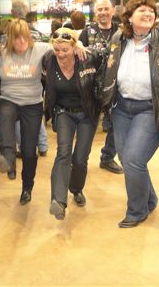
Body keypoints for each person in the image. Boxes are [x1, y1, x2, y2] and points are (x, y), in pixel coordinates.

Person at [99, 0, 159, 228]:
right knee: (128, 158)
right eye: (142, 11)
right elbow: (105, 61)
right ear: (129, 17)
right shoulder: (119, 38)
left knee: (133, 160)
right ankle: (150, 199)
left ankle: (137, 210)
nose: (148, 14)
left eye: (151, 11)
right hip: (121, 107)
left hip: (151, 109)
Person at [0, 19, 83, 205]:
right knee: (5, 116)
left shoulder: (41, 49)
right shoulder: (1, 52)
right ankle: (8, 158)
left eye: (24, 37)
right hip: (8, 99)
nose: (21, 41)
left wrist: (79, 45)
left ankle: (27, 188)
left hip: (32, 103)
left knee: (29, 152)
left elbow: (65, 44)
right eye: (16, 38)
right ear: (10, 38)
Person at [43, 28, 101, 220]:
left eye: (65, 50)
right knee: (63, 152)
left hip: (87, 113)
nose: (60, 54)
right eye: (57, 50)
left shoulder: (87, 58)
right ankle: (58, 201)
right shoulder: (49, 59)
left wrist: (82, 44)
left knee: (80, 158)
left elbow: (107, 55)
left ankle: (76, 189)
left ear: (74, 47)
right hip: (63, 112)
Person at [78, 0, 123, 174]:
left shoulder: (121, 31)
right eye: (99, 9)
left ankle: (108, 158)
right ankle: (81, 160)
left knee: (116, 124)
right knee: (89, 124)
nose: (103, 12)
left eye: (106, 9)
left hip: (115, 85)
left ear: (112, 11)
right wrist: (77, 44)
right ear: (95, 12)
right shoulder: (86, 32)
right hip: (91, 86)